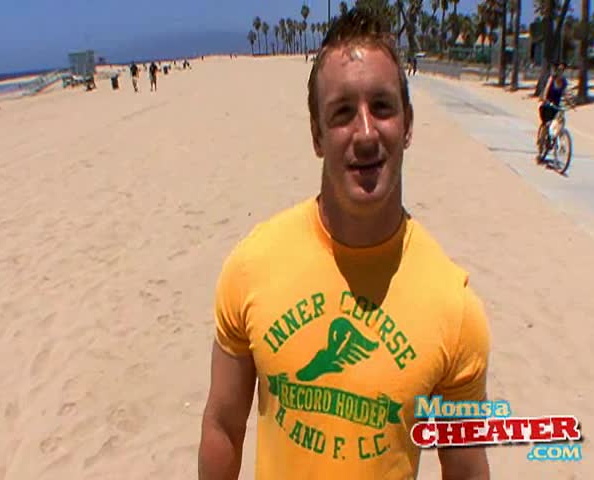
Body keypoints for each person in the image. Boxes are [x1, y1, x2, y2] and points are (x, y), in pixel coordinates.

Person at [199, 7, 491, 480]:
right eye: (342, 113)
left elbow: (466, 466)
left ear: (407, 124)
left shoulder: (455, 310)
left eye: (382, 107)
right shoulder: (253, 265)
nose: (366, 134)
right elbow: (223, 426)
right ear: (317, 135)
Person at [537, 62, 571, 161]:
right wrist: (545, 99)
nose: (561, 72)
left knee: (559, 121)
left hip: (556, 106)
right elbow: (546, 90)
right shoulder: (551, 79)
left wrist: (570, 102)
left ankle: (557, 137)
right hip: (547, 105)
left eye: (562, 70)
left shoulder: (564, 82)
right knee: (546, 124)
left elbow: (565, 93)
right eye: (559, 70)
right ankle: (541, 146)